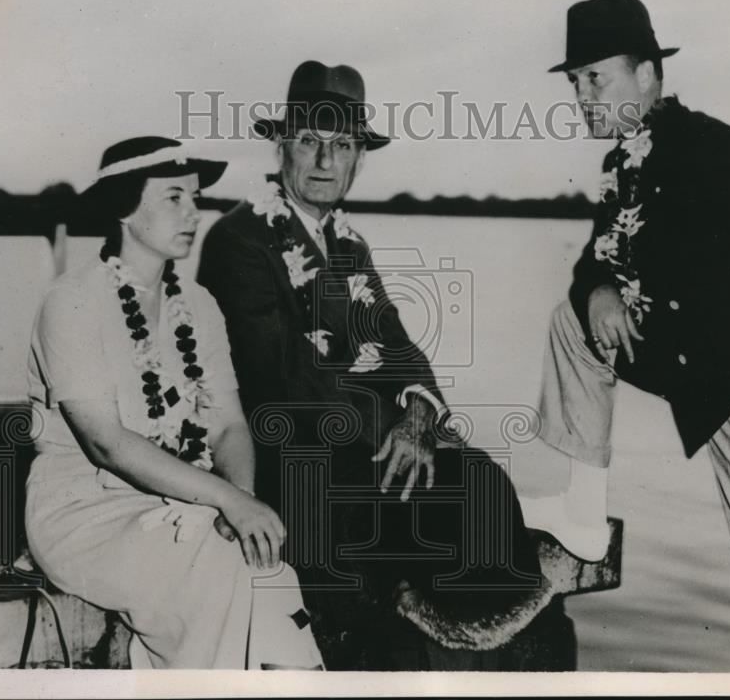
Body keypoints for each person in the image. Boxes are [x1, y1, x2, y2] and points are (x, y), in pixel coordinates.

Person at [525, 0, 730, 672]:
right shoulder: (627, 162)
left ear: (647, 75)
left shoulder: (707, 150)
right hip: (718, 375)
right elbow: (595, 259)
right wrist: (600, 289)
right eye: (575, 81)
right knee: (572, 321)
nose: (582, 95)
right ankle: (583, 510)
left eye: (597, 78)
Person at [197, 61, 542, 669]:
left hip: (362, 443)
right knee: (368, 534)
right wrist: (391, 429)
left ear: (359, 159)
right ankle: (382, 636)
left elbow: (399, 347)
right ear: (282, 148)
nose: (326, 161)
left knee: (484, 481)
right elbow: (279, 376)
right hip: (288, 454)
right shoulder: (239, 238)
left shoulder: (349, 245)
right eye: (310, 141)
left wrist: (417, 415)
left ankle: (466, 634)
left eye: (343, 145)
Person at [24, 136, 323, 669]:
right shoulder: (71, 301)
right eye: (173, 198)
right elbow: (107, 443)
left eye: (195, 197)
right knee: (221, 564)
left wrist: (240, 499)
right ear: (124, 208)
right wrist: (226, 504)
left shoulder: (200, 305)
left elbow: (229, 425)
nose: (194, 213)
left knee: (268, 569)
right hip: (85, 514)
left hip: (182, 503)